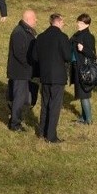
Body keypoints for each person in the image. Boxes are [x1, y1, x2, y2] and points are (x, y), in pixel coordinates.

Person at [33, 13, 70, 143]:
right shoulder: (62, 37)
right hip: (58, 77)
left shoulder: (41, 37)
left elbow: (34, 57)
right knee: (55, 106)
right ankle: (51, 135)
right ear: (58, 22)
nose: (63, 25)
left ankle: (42, 131)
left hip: (45, 76)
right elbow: (67, 56)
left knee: (45, 104)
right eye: (63, 22)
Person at [6, 9, 37, 132]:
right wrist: (31, 64)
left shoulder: (26, 31)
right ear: (28, 19)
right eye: (35, 18)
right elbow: (20, 54)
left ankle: (15, 119)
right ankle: (15, 124)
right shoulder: (19, 33)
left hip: (23, 71)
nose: (36, 20)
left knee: (23, 98)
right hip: (20, 72)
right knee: (19, 98)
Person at [70, 13, 97, 125]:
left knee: (84, 94)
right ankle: (84, 116)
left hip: (84, 69)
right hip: (77, 67)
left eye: (80, 23)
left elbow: (92, 54)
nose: (78, 24)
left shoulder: (88, 36)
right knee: (82, 94)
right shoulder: (77, 34)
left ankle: (88, 120)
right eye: (78, 22)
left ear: (87, 24)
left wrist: (83, 49)